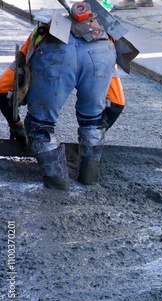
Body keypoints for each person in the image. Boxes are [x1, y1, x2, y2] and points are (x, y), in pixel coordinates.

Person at [10, 4, 125, 191]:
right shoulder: (106, 40)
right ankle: (88, 180)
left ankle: (58, 188)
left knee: (40, 126)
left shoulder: (37, 37)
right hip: (100, 54)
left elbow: (4, 89)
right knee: (93, 120)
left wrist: (15, 124)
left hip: (55, 53)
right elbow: (118, 103)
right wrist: (98, 128)